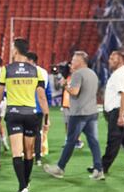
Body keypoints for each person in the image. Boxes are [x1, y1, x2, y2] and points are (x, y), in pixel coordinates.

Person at [0, 38, 49, 192]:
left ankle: (22, 187)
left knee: (17, 152)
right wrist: (46, 117)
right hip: (31, 114)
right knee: (29, 152)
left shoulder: (6, 70)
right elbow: (42, 96)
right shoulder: (36, 70)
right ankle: (26, 182)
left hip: (14, 114)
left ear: (16, 51)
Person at [44, 51, 102, 180]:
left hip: (79, 114)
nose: (71, 62)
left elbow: (74, 92)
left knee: (70, 141)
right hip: (91, 112)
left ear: (81, 61)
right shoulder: (93, 74)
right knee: (94, 142)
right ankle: (99, 170)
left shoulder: (78, 74)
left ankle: (60, 168)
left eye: (74, 60)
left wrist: (65, 85)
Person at [101, 50, 124, 175]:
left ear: (120, 59)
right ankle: (102, 166)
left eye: (112, 58)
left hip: (120, 111)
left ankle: (102, 167)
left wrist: (120, 115)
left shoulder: (120, 74)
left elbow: (123, 95)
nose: (109, 60)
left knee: (113, 140)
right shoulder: (120, 73)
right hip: (122, 111)